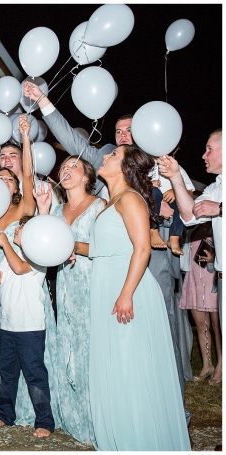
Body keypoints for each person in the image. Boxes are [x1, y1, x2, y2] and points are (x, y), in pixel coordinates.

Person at [24, 81, 192, 426]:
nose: (123, 137)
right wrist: (43, 100)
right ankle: (116, 412)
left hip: (148, 260)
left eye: (129, 131)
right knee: (115, 346)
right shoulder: (106, 171)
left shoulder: (164, 168)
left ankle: (167, 405)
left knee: (156, 341)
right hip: (104, 264)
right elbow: (71, 139)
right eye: (118, 132)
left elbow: (177, 215)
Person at [88, 144, 190, 450]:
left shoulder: (130, 198)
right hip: (108, 283)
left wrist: (126, 294)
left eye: (113, 155)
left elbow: (142, 248)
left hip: (127, 287)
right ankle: (122, 436)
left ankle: (140, 440)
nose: (105, 157)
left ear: (125, 167)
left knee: (131, 367)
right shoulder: (111, 201)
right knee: (118, 367)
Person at [0, 115, 61, 433]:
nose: (3, 181)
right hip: (6, 305)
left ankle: (44, 420)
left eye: (7, 178)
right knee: (7, 369)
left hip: (28, 309)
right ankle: (4, 415)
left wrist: (25, 138)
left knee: (34, 370)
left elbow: (27, 174)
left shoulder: (23, 208)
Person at [35, 156, 104, 445]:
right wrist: (42, 210)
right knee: (68, 347)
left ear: (88, 176)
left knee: (91, 348)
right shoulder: (57, 211)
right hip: (65, 285)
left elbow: (106, 247)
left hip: (92, 283)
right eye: (62, 167)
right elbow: (41, 245)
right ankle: (72, 415)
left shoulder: (99, 207)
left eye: (73, 166)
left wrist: (72, 245)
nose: (66, 169)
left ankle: (96, 418)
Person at [0, 215, 54, 438]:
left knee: (35, 375)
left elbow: (20, 268)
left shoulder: (38, 256)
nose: (15, 230)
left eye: (21, 228)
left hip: (31, 327)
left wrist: (4, 244)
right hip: (8, 325)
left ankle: (44, 421)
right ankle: (5, 416)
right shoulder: (7, 257)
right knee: (8, 375)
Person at [159, 129, 222, 321]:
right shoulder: (215, 188)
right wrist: (176, 177)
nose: (204, 155)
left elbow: (216, 209)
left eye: (209, 149)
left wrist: (220, 209)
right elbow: (189, 216)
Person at [180, 224, 221, 385]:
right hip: (195, 280)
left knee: (218, 327)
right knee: (201, 324)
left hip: (213, 280)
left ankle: (221, 366)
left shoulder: (217, 224)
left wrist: (215, 259)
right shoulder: (191, 227)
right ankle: (207, 364)